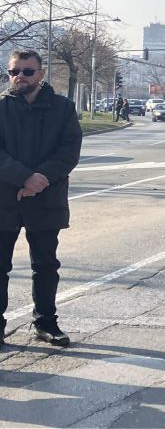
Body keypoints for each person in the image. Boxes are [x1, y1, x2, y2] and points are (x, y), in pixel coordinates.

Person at [0, 50, 82, 349]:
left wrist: (38, 180)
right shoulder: (1, 106)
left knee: (46, 265)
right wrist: (23, 177)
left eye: (27, 71)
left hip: (46, 197)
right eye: (13, 71)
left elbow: (69, 150)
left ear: (41, 74)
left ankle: (45, 322)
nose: (19, 76)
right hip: (4, 197)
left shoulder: (62, 108)